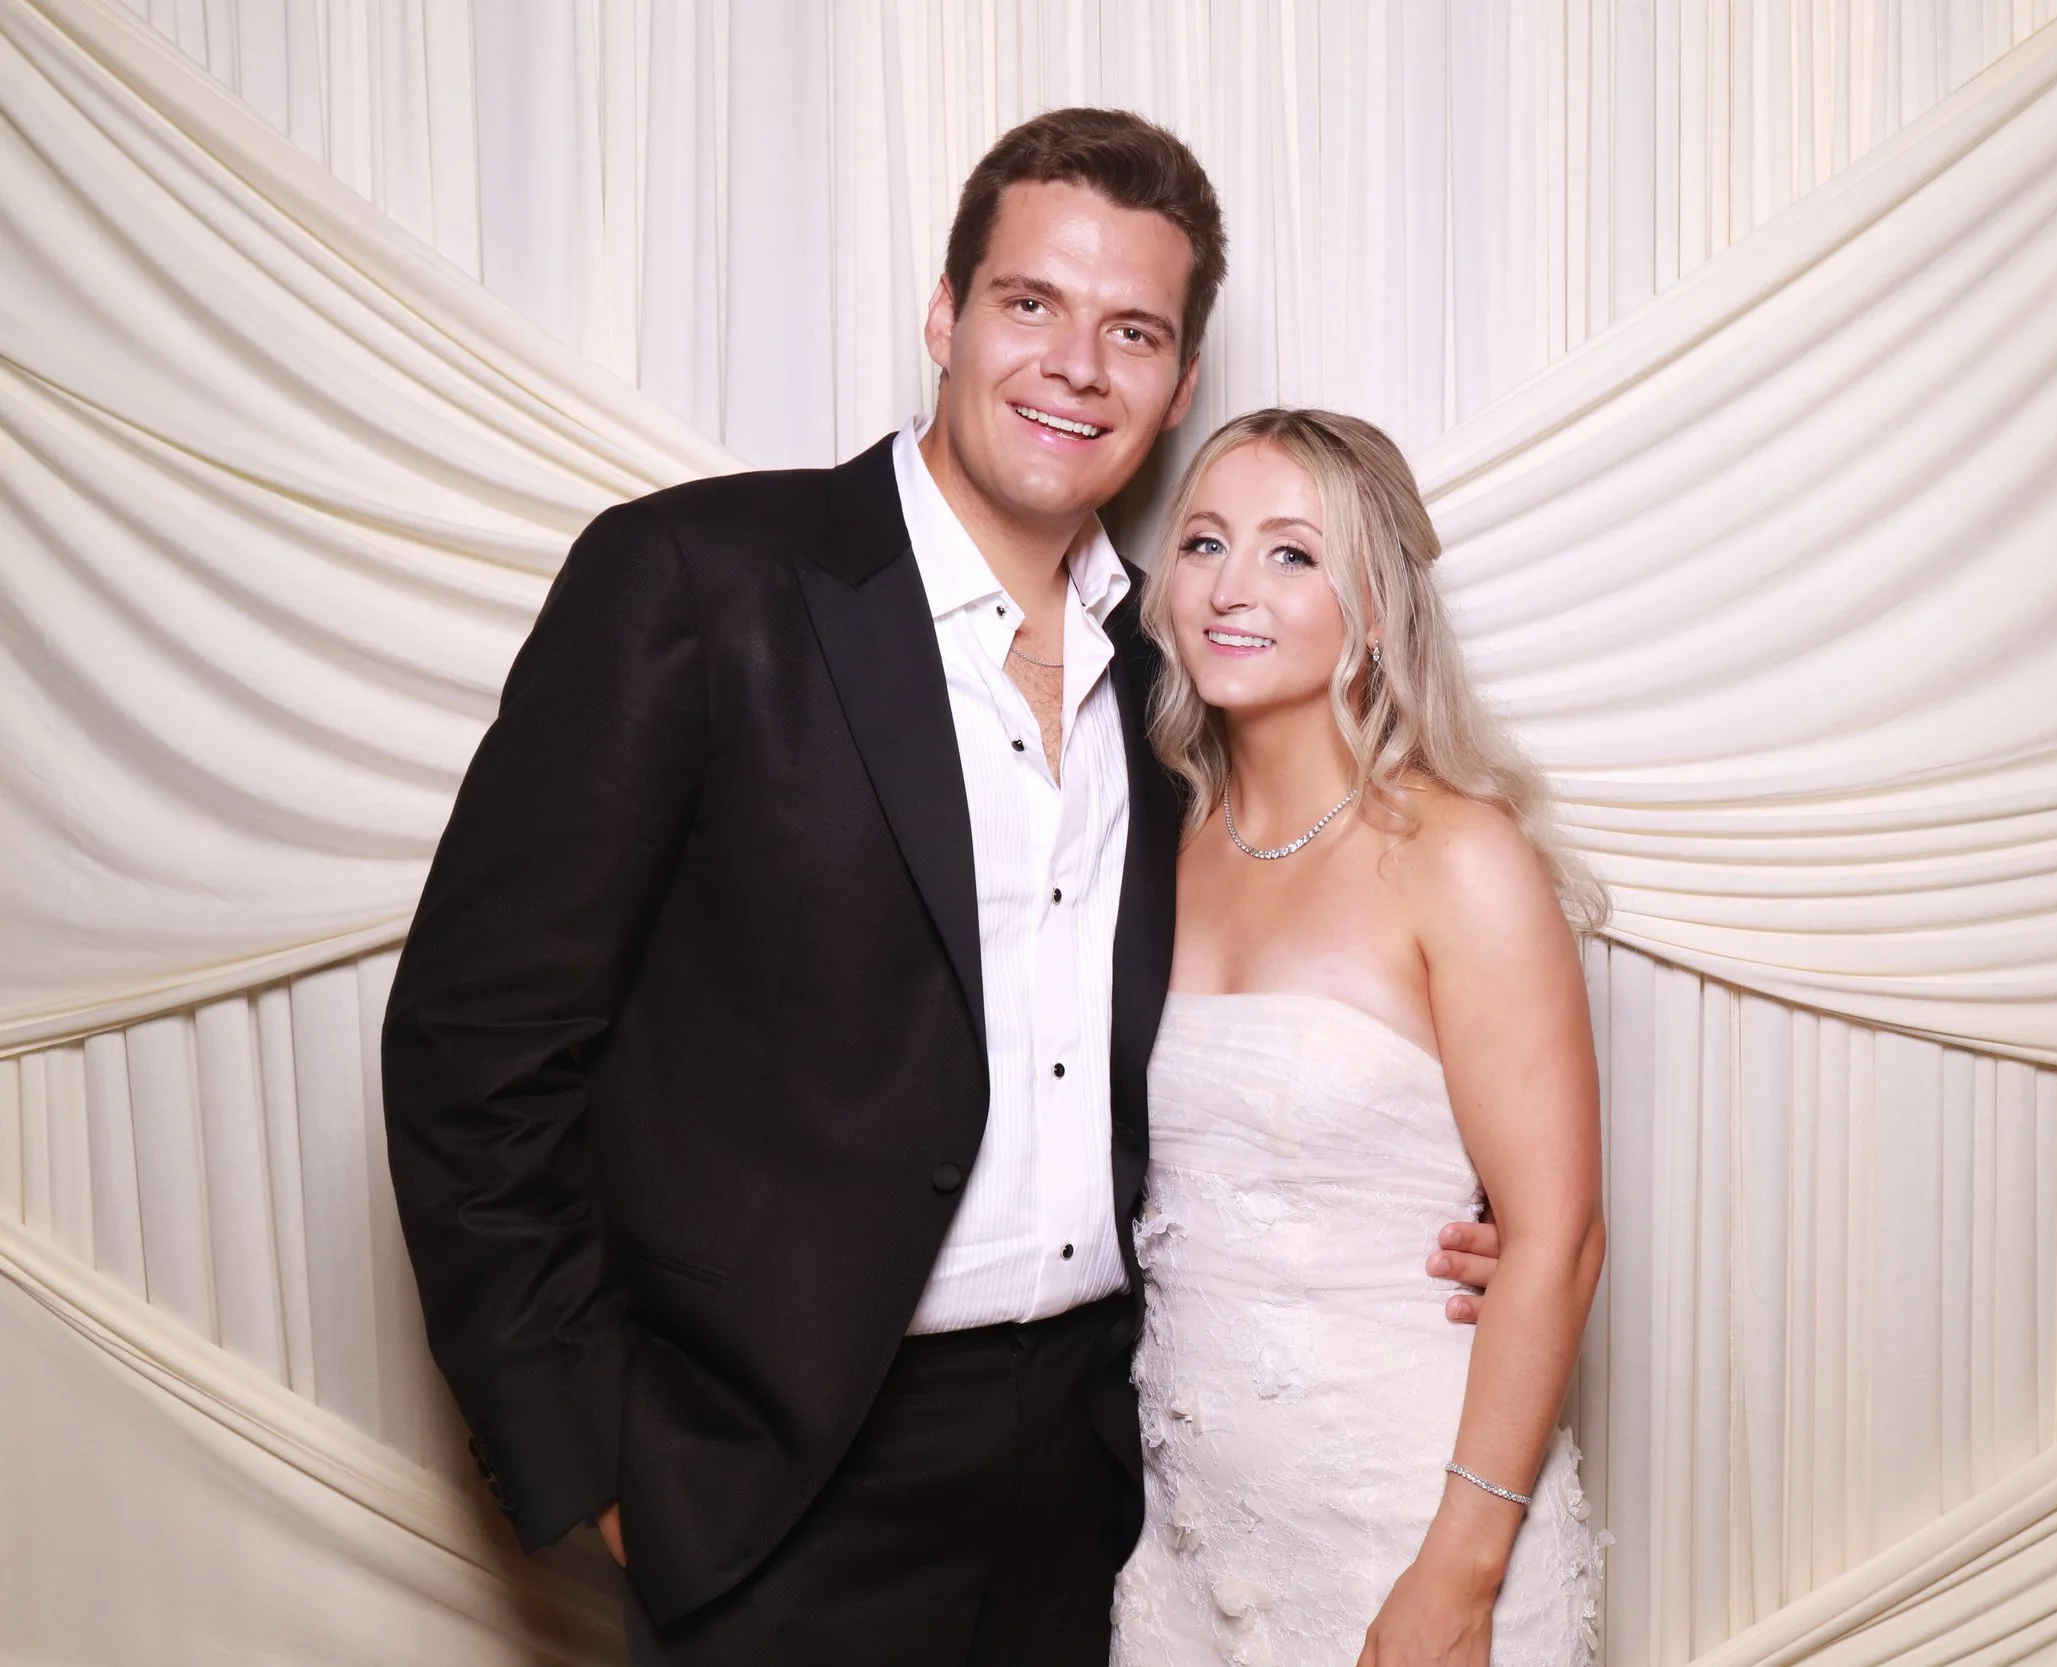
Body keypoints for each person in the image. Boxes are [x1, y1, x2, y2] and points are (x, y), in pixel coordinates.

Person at [380, 109, 1503, 1667]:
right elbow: (475, 1050)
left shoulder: (1177, 675)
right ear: (945, 315)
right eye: (1029, 304)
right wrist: (606, 1464)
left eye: (1133, 331)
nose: (1075, 365)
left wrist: (1452, 1207)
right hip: (776, 1474)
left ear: (1179, 388)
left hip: (1108, 1478)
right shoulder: (701, 582)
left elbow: (1297, 987)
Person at [1110, 409, 1608, 1667]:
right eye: (1205, 541)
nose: (1231, 587)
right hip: (1186, 1541)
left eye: (1292, 554)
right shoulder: (1149, 849)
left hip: (1409, 1522)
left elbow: (1558, 1233)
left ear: (1376, 608)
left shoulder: (1459, 856)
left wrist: (1460, 1565)